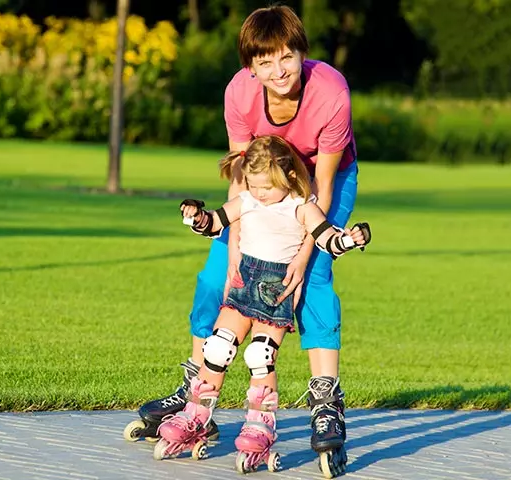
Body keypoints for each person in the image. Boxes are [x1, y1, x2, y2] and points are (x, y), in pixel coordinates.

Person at [129, 5, 359, 477]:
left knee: (312, 278)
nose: (279, 71)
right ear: (250, 67)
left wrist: (304, 251)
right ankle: (197, 386)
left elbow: (325, 182)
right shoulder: (239, 92)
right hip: (256, 187)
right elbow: (239, 175)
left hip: (318, 184)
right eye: (266, 62)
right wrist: (233, 246)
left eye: (288, 57)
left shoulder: (331, 91)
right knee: (218, 276)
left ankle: (325, 398)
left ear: (302, 53)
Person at [152, 136, 371, 475]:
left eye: (266, 187)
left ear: (288, 176)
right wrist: (196, 216)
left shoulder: (302, 205)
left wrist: (348, 239)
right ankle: (195, 415)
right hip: (242, 285)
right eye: (253, 186)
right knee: (217, 347)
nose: (259, 194)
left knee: (259, 355)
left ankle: (260, 425)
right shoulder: (246, 201)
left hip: (275, 292)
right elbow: (215, 221)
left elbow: (326, 237)